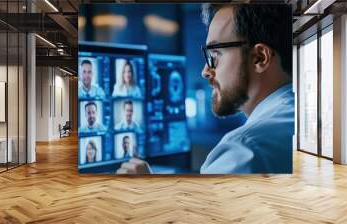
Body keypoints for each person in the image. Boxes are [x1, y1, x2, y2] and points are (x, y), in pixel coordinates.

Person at [116, 4, 294, 174]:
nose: (205, 71)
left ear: (259, 58)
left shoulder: (244, 150)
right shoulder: (294, 118)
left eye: (214, 55)